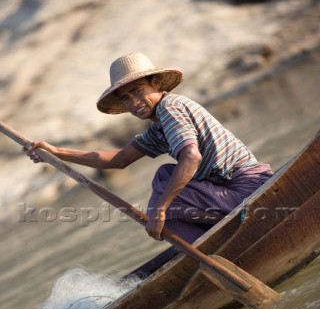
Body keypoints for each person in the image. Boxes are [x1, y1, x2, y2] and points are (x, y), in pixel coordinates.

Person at [26, 52, 273, 243]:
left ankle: (229, 229)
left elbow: (191, 156)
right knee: (164, 182)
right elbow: (118, 160)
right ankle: (219, 236)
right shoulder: (158, 127)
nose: (134, 103)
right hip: (226, 191)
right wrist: (56, 152)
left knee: (163, 195)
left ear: (155, 84)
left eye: (137, 91)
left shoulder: (170, 107)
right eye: (126, 98)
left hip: (246, 187)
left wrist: (160, 210)